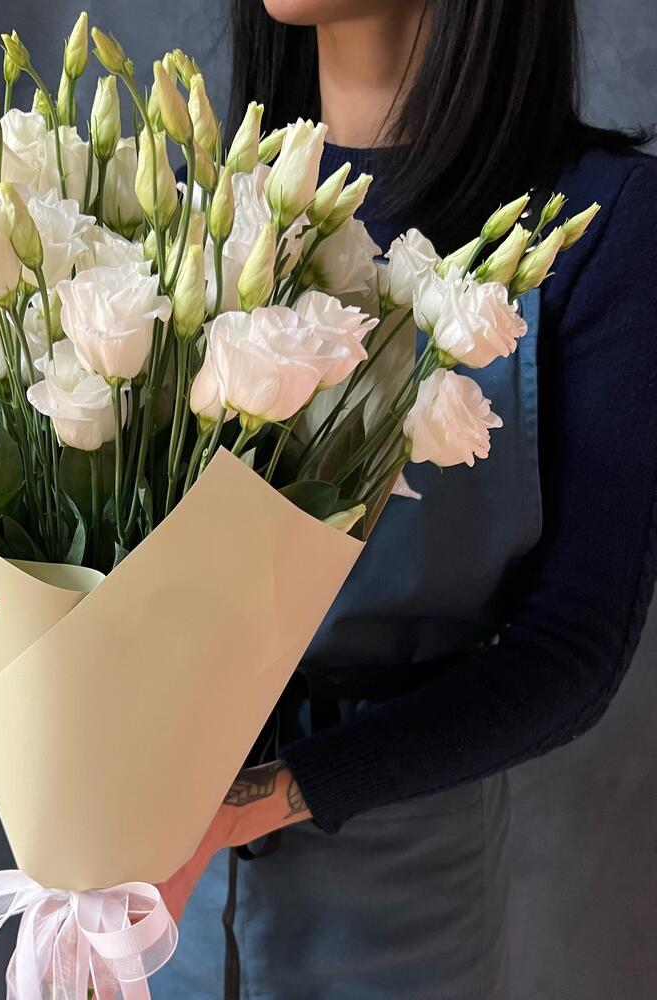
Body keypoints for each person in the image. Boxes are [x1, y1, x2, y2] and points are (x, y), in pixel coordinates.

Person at [154, 1, 657, 997]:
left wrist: (263, 798)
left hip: (401, 925)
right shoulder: (195, 207)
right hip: (156, 909)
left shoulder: (595, 223)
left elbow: (572, 651)